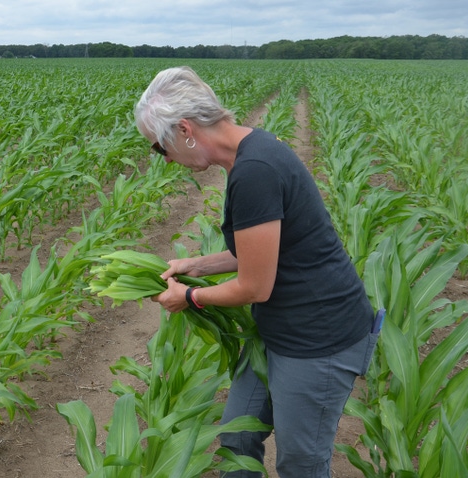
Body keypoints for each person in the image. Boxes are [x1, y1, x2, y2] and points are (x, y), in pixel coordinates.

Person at [134, 66, 378, 477]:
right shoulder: (248, 154)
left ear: (185, 129)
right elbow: (257, 251)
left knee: (301, 462)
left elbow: (253, 285)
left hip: (318, 338)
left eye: (160, 147)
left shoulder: (256, 171)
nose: (166, 159)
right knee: (237, 436)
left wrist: (188, 297)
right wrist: (194, 265)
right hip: (277, 330)